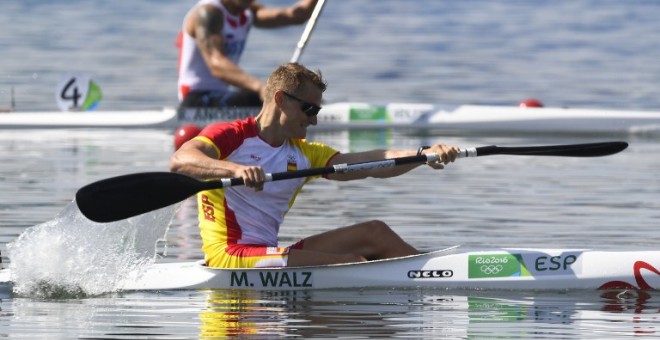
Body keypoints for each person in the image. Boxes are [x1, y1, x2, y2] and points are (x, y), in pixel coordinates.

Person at [170, 63, 460, 268]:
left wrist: (424, 154)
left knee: (375, 232)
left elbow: (370, 163)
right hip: (230, 257)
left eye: (317, 110)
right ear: (280, 100)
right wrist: (234, 170)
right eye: (309, 109)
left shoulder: (304, 153)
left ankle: (431, 272)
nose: (314, 120)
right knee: (351, 265)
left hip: (268, 254)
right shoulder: (231, 136)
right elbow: (181, 160)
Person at [177, 0, 319, 109]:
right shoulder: (208, 13)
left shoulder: (247, 12)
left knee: (291, 96)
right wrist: (260, 87)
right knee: (274, 98)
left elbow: (296, 15)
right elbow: (216, 64)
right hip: (195, 99)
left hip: (221, 95)